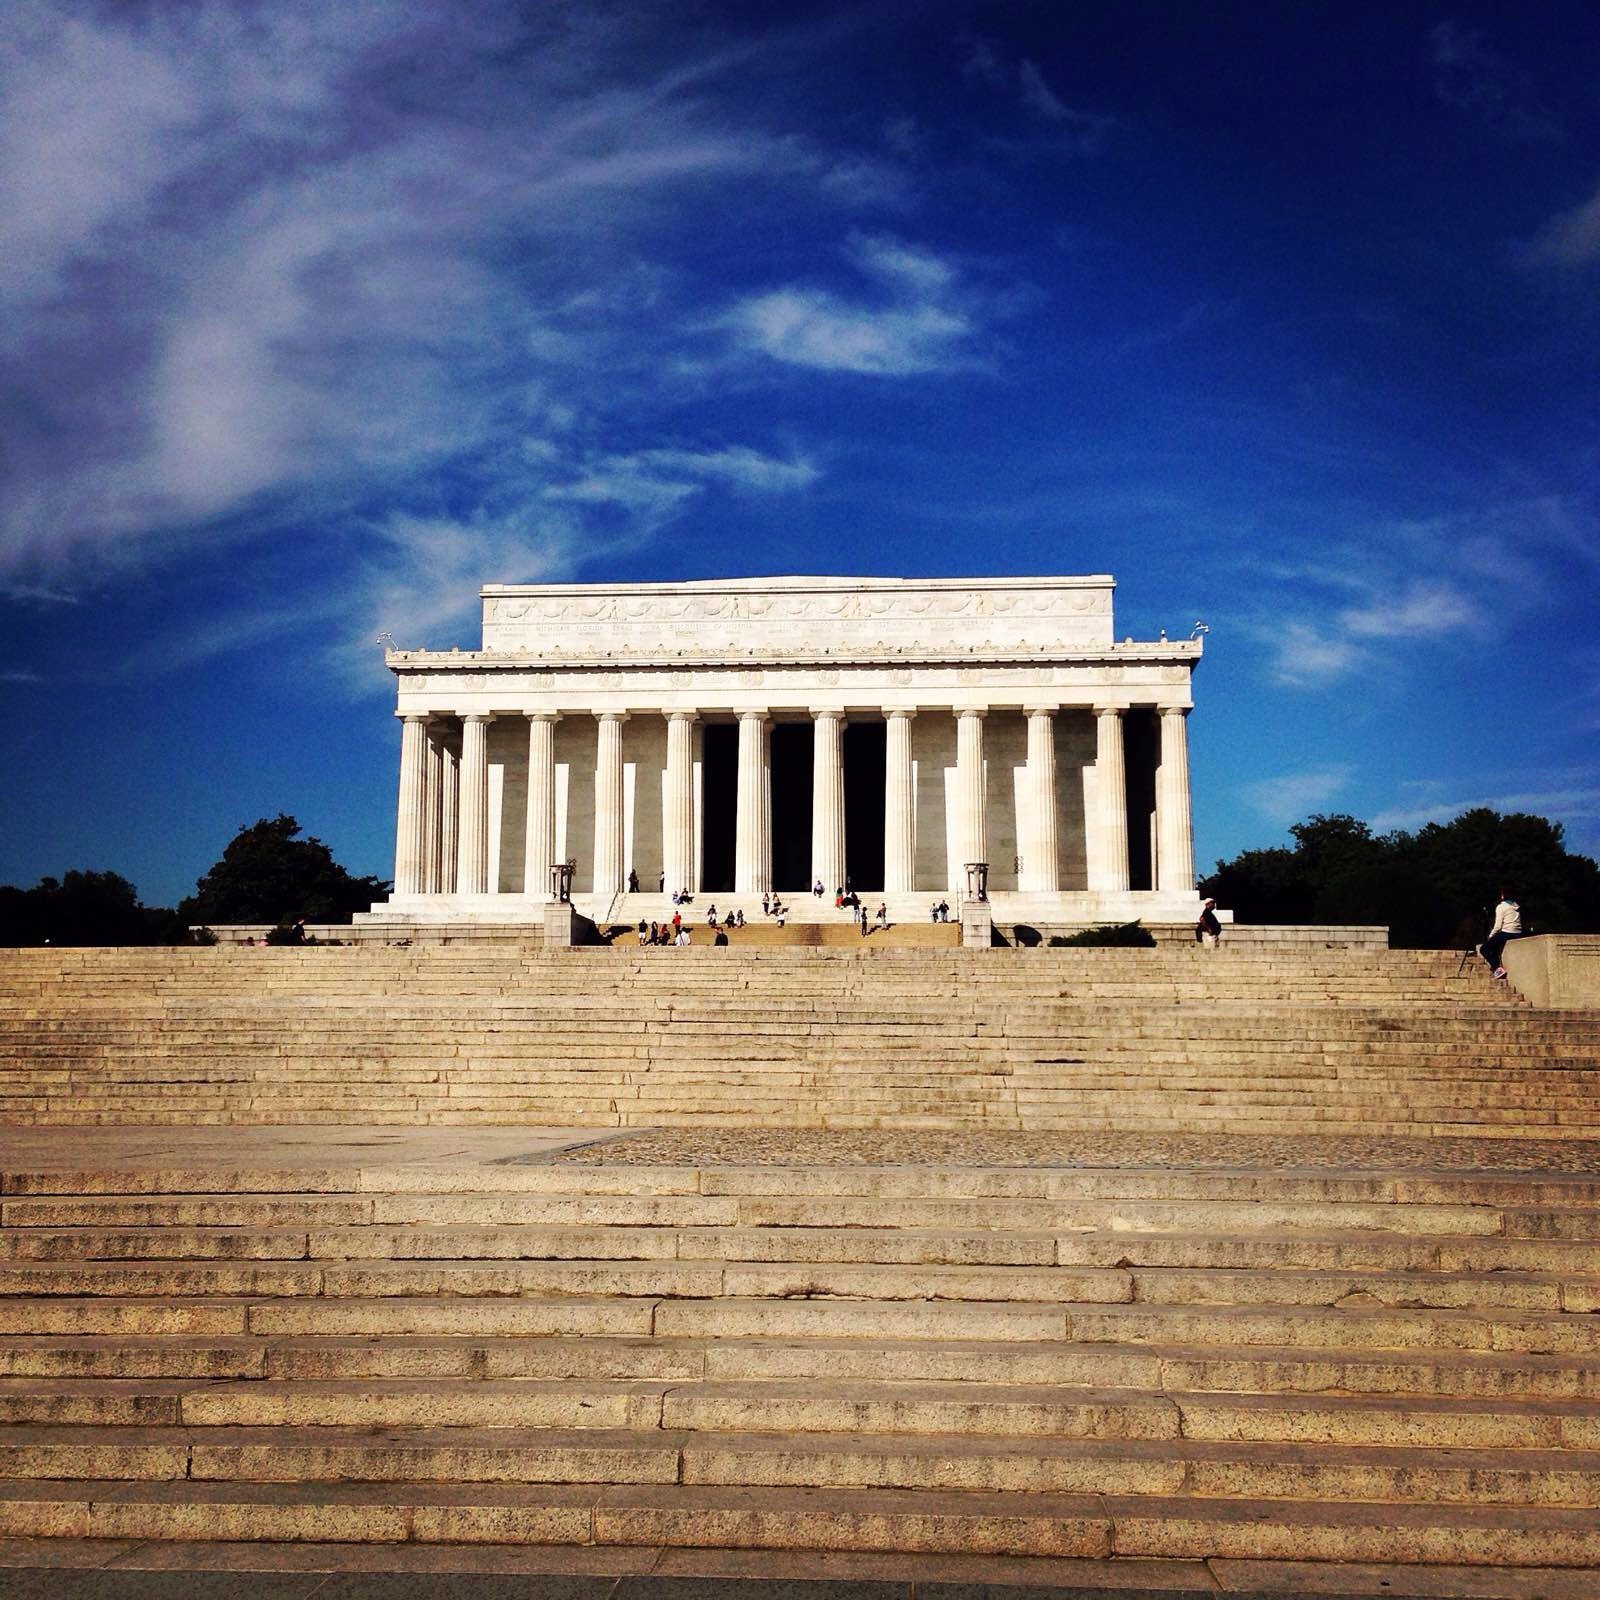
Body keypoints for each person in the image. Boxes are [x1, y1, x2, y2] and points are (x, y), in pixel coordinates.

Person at [1480, 891, 1524, 980]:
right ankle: (1496, 969)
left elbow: (1498, 926)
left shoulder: (1501, 907)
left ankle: (1497, 968)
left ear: (1502, 896)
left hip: (1507, 932)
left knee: (1484, 948)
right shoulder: (1516, 906)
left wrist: (1491, 935)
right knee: (1494, 946)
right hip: (1518, 933)